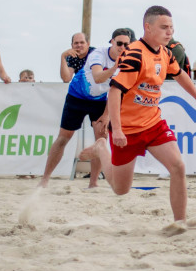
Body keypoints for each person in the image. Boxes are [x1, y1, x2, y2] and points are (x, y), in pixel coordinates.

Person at [92, 7, 196, 231]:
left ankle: (180, 223)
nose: (169, 32)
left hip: (153, 123)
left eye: (171, 27)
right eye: (164, 27)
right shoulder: (134, 54)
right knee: (120, 189)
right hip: (128, 129)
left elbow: (180, 74)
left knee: (178, 166)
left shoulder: (165, 52)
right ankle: (101, 147)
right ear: (148, 27)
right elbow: (114, 91)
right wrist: (118, 130)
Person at [39, 29, 133, 189]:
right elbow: (97, 77)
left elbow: (116, 91)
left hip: (100, 100)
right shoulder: (98, 54)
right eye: (119, 43)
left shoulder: (128, 62)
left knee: (100, 140)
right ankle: (45, 179)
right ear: (112, 42)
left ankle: (93, 183)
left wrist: (107, 115)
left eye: (126, 44)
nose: (122, 47)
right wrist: (115, 68)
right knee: (63, 138)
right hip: (77, 96)